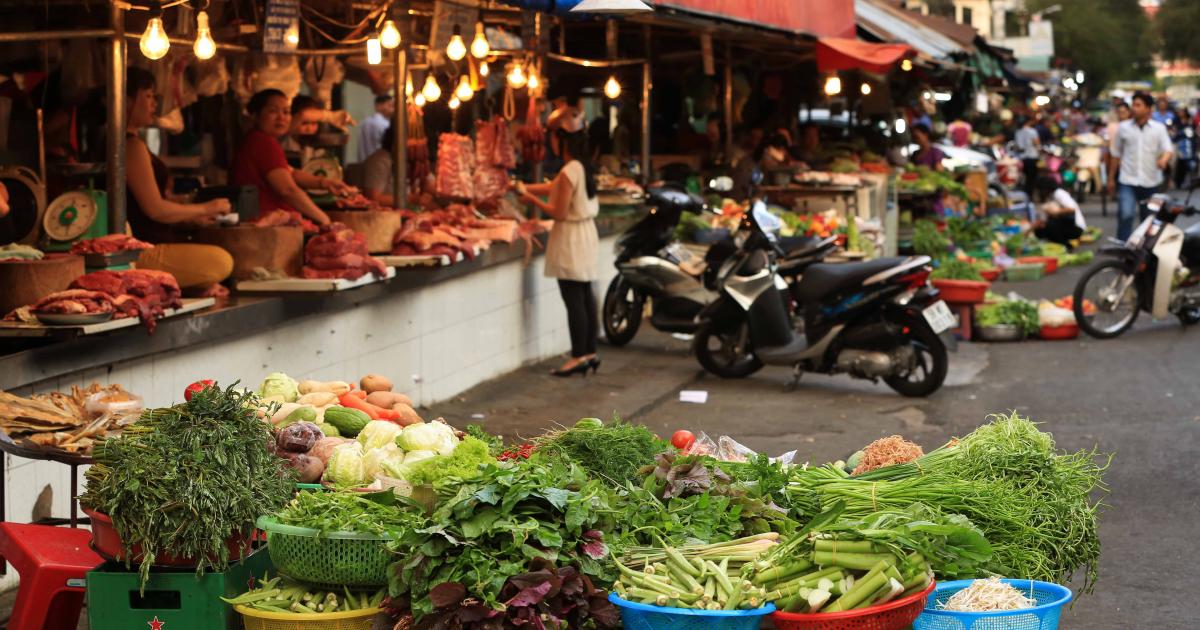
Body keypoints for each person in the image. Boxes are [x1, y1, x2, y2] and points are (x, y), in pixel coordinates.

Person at [123, 67, 233, 291]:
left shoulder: (132, 143)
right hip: (142, 250)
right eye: (148, 96)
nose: (154, 103)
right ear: (125, 101)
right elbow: (156, 209)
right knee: (222, 260)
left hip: (151, 241)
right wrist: (206, 208)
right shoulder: (130, 146)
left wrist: (189, 217)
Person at [515, 129, 600, 377]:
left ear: (564, 146)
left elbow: (558, 211)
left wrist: (530, 198)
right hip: (586, 235)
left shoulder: (568, 170)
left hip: (571, 238)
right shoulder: (582, 167)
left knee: (574, 299)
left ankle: (577, 356)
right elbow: (553, 187)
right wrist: (523, 187)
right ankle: (590, 352)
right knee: (585, 295)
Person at [232, 89, 346, 228]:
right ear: (255, 115)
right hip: (266, 228)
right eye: (273, 111)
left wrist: (325, 183)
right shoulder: (263, 142)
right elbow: (287, 190)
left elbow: (291, 173)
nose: (281, 118)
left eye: (286, 112)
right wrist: (324, 219)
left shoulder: (259, 140)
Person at [1109, 91, 1175, 240]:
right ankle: (1122, 252)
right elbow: (1116, 154)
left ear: (1148, 108)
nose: (1134, 108)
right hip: (1128, 180)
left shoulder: (1159, 128)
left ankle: (1143, 256)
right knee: (1126, 215)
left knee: (1148, 222)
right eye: (1133, 104)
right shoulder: (1124, 128)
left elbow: (1168, 149)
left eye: (1138, 105)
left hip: (1151, 181)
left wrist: (1163, 160)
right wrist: (1111, 179)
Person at [1032, 178, 1085, 248]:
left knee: (1050, 225)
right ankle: (1060, 244)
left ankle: (1064, 245)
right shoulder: (1050, 197)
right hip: (1065, 224)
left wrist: (1055, 212)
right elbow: (1042, 220)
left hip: (1076, 227)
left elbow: (1072, 209)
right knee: (1040, 230)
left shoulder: (1058, 193)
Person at [282, 95, 326, 168]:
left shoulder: (318, 148)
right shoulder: (283, 140)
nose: (309, 129)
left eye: (314, 123)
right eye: (304, 123)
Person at [362, 124, 397, 207]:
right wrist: (412, 199)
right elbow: (373, 198)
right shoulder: (379, 161)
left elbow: (430, 184)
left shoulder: (411, 161)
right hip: (386, 215)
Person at [356, 94, 393, 163]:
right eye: (389, 106)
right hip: (381, 165)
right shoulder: (385, 125)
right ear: (379, 106)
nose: (392, 109)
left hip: (364, 165)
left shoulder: (364, 123)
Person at [1015, 116, 1042, 200]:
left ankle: (1024, 196)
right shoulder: (1032, 131)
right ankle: (1029, 197)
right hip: (1032, 157)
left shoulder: (1018, 132)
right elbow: (1037, 144)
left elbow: (1018, 146)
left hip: (1022, 159)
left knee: (1025, 178)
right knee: (1032, 179)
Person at [1173, 114, 1196, 190]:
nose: (1183, 121)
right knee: (1180, 169)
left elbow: (1192, 138)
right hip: (1181, 153)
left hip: (1189, 152)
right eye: (1182, 119)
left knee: (1190, 167)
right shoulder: (1178, 129)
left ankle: (1190, 183)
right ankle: (1179, 183)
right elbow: (1174, 138)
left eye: (1185, 119)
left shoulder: (1190, 128)